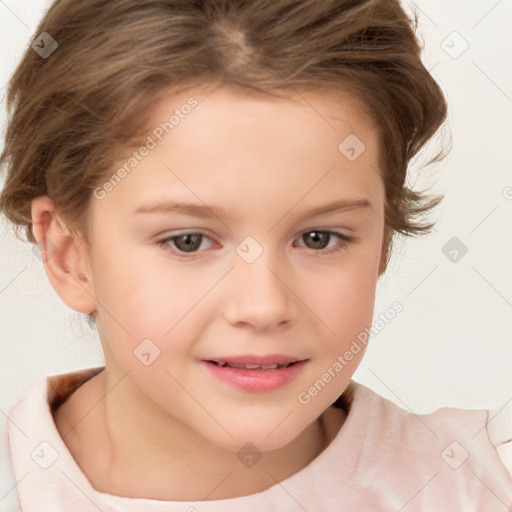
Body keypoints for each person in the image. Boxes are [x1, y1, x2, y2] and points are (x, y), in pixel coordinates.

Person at [1, 0, 511, 510]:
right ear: (68, 254)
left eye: (319, 238)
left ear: (382, 241)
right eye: (188, 241)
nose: (264, 307)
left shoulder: (476, 487)